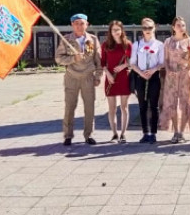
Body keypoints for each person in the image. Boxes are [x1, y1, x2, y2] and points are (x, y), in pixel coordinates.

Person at [54, 13, 102, 146]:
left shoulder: (91, 40)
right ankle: (68, 135)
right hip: (72, 77)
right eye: (76, 23)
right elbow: (58, 59)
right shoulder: (66, 40)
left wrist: (98, 76)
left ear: (87, 24)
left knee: (89, 107)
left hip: (87, 77)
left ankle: (89, 135)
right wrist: (73, 59)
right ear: (72, 25)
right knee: (70, 107)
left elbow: (98, 60)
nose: (79, 26)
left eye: (82, 23)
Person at [160, 17, 190, 143]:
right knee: (172, 104)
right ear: (173, 27)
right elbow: (165, 59)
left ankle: (181, 132)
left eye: (183, 25)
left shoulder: (189, 42)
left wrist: (186, 64)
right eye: (178, 25)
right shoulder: (168, 41)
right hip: (171, 76)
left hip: (184, 76)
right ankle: (175, 131)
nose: (181, 27)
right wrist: (168, 70)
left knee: (184, 103)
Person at [130, 17, 164, 143]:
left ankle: (153, 133)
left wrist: (153, 70)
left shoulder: (159, 45)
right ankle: (145, 132)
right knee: (142, 106)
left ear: (154, 28)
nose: (147, 30)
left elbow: (162, 63)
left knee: (154, 106)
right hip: (141, 76)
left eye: (150, 27)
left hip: (154, 77)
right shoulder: (137, 44)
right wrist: (142, 73)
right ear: (142, 30)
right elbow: (132, 63)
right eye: (145, 28)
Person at [101, 20, 132, 143]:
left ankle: (123, 134)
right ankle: (114, 134)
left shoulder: (127, 44)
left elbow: (132, 61)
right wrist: (108, 74)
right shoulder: (105, 45)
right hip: (111, 78)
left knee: (124, 107)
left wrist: (124, 66)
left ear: (122, 30)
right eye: (114, 30)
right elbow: (102, 62)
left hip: (124, 77)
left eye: (118, 29)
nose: (116, 32)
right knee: (112, 108)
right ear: (110, 31)